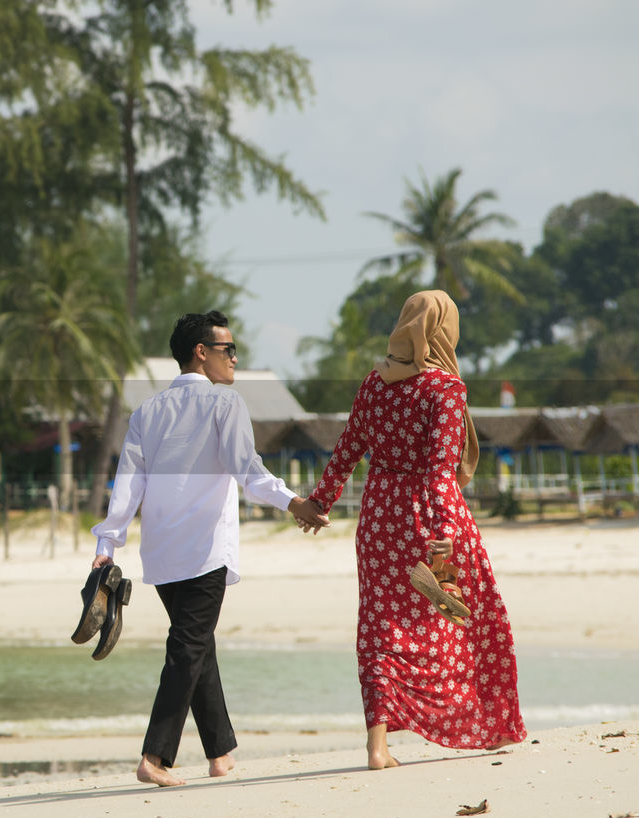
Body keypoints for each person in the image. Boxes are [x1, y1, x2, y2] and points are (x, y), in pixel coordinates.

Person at [89, 311, 329, 787]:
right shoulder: (226, 404)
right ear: (201, 352)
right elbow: (248, 470)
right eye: (228, 350)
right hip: (204, 550)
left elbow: (127, 484)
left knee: (197, 646)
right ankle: (155, 758)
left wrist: (108, 542)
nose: (235, 359)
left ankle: (220, 753)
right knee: (187, 649)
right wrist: (294, 502)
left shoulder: (146, 413)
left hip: (160, 551)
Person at [302, 290, 526, 770]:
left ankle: (378, 747)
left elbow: (347, 449)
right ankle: (487, 725)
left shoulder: (374, 383)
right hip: (427, 511)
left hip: (380, 515)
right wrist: (444, 530)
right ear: (444, 330)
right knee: (472, 616)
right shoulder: (445, 389)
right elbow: (442, 467)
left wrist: (320, 500)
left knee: (382, 626)